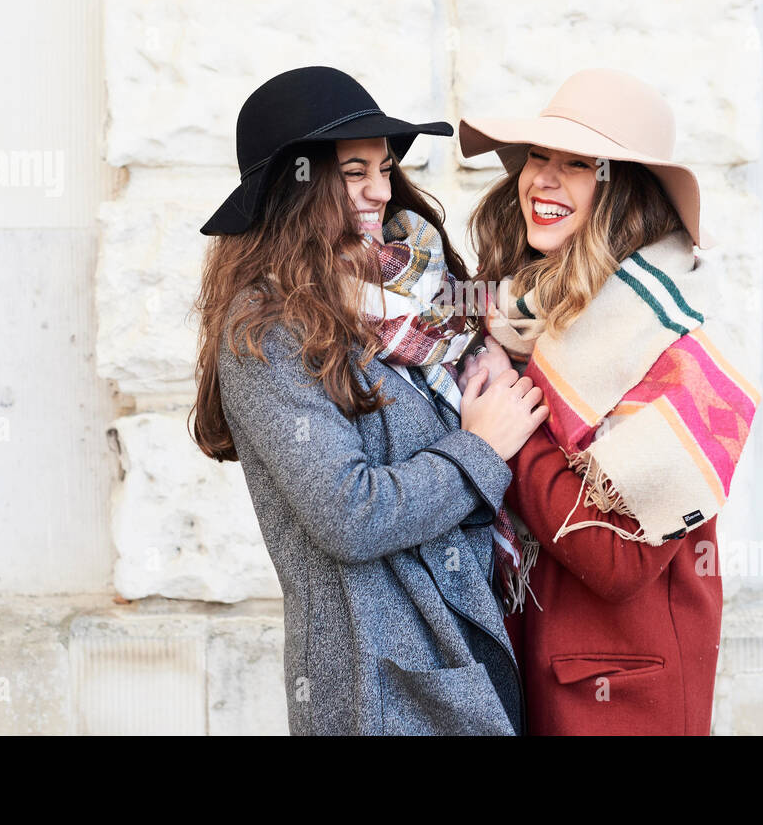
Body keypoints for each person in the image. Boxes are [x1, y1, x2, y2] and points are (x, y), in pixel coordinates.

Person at [190, 66, 547, 735]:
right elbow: (350, 514)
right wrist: (478, 447)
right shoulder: (266, 330)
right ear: (296, 184)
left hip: (460, 653)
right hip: (377, 684)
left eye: (385, 168)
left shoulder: (409, 302)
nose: (381, 191)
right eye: (355, 171)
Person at [457, 67, 761, 735]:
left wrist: (513, 417)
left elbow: (617, 559)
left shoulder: (678, 348)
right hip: (531, 674)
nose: (542, 178)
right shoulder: (523, 313)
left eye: (576, 164)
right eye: (538, 156)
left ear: (621, 191)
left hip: (625, 700)